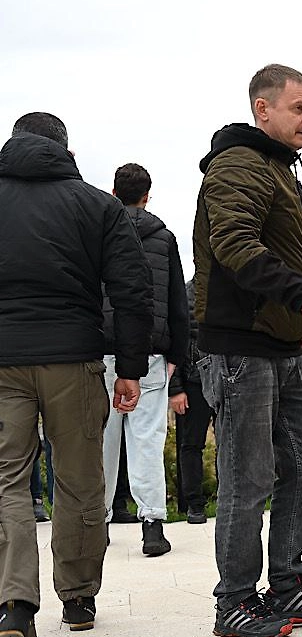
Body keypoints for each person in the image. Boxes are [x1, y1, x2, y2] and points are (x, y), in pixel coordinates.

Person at [193, 64, 302, 637]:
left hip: (282, 343)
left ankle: (286, 584)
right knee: (248, 477)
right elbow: (235, 244)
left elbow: (282, 249)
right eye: (299, 108)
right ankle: (234, 600)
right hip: (239, 348)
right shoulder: (239, 163)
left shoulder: (281, 167)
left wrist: (298, 325)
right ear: (263, 109)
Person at [0, 112, 153, 637]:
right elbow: (133, 293)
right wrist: (131, 368)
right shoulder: (97, 204)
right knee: (80, 479)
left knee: (6, 483)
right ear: (64, 148)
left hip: (2, 360)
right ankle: (78, 597)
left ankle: (15, 607)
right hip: (73, 358)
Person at [102, 163, 189, 557]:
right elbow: (176, 302)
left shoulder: (98, 231)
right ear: (147, 195)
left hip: (103, 349)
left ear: (114, 192)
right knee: (148, 441)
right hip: (151, 351)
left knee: (100, 442)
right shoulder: (164, 237)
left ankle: (98, 523)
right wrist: (177, 355)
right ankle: (152, 525)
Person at [168, 279, 215, 524]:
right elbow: (176, 340)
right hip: (193, 381)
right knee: (191, 444)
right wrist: (175, 388)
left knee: (232, 444)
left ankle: (231, 499)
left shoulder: (233, 287)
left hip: (228, 377)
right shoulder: (186, 291)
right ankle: (194, 504)